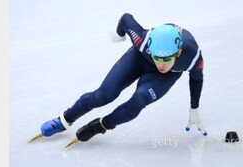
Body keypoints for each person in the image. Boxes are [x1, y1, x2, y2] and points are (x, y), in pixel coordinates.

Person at [38, 13, 207, 144]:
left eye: (166, 59)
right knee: (103, 95)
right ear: (150, 49)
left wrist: (194, 108)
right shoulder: (143, 40)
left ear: (178, 53)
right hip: (138, 59)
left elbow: (196, 79)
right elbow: (126, 18)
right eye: (157, 57)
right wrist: (119, 33)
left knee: (139, 100)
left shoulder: (193, 58)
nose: (160, 64)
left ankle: (101, 125)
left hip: (165, 77)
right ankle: (63, 120)